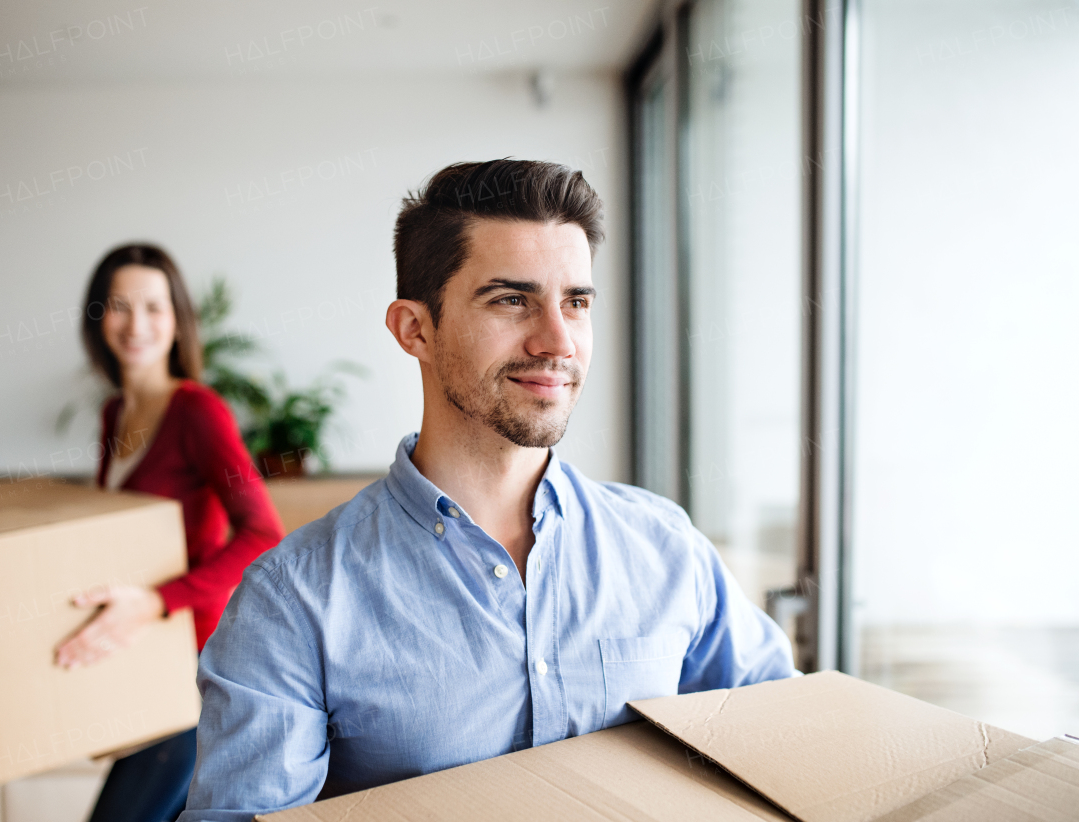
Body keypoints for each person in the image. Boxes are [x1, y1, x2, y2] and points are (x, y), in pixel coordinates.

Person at [179, 160, 796, 821]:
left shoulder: (665, 548)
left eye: (577, 303)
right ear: (415, 329)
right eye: (511, 300)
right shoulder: (294, 599)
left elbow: (783, 743)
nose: (559, 341)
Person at [54, 243, 285, 822]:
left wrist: (156, 602)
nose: (137, 325)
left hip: (197, 668)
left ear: (178, 319)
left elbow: (263, 533)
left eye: (154, 307)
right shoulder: (114, 413)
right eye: (120, 306)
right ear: (97, 317)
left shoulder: (196, 412)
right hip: (144, 656)